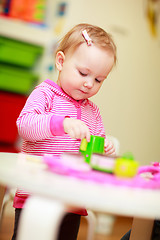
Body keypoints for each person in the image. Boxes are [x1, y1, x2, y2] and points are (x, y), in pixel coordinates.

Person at [11, 23, 117, 240]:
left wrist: (104, 151)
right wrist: (61, 123)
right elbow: (25, 125)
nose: (89, 84)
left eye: (98, 80)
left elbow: (92, 155)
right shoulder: (45, 94)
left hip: (72, 199)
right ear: (61, 61)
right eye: (83, 73)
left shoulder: (93, 112)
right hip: (36, 193)